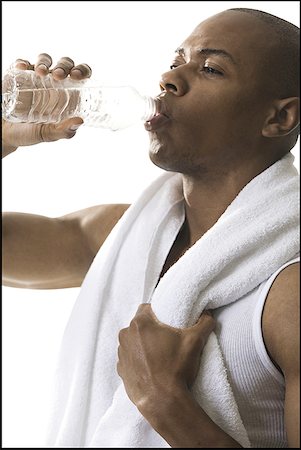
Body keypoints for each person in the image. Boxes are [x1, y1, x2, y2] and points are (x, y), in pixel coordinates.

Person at [2, 8, 300, 448]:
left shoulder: (289, 294)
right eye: (176, 61)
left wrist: (163, 401)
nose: (169, 78)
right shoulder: (120, 236)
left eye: (211, 69)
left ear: (279, 119)